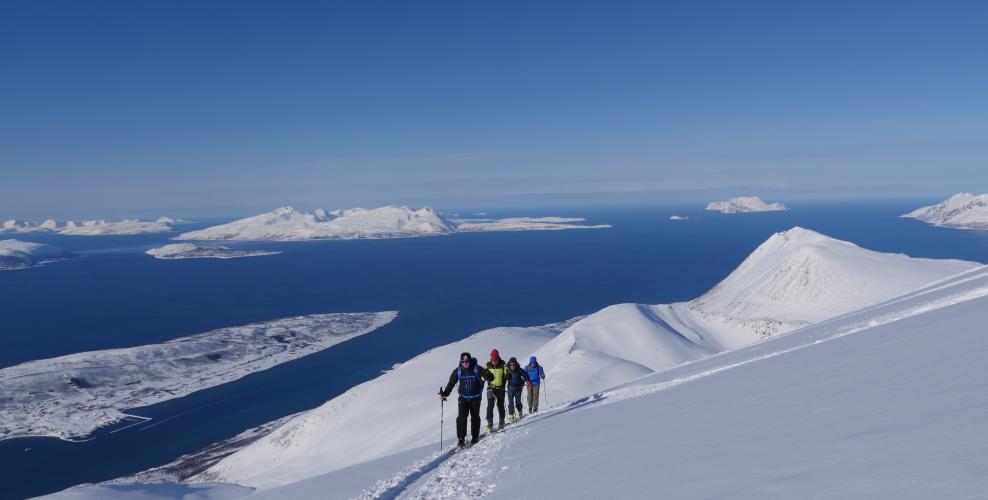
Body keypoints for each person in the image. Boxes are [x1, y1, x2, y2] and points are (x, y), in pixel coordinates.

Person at [439, 352, 493, 447]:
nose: (465, 363)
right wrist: (445, 394)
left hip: (475, 397)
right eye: (463, 362)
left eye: (467, 361)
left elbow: (489, 377)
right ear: (461, 361)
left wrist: (488, 375)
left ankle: (475, 437)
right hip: (463, 398)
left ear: (470, 360)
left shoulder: (477, 368)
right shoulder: (458, 371)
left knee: (475, 417)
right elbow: (451, 383)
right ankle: (461, 439)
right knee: (461, 418)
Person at [485, 349, 509, 432]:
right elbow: (482, 375)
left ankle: (501, 421)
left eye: (496, 360)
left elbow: (507, 374)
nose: (494, 362)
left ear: (498, 358)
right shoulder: (487, 365)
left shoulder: (503, 364)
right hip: (491, 387)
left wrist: (507, 376)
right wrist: (483, 378)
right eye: (493, 360)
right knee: (490, 404)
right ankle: (490, 424)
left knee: (500, 405)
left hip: (500, 388)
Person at [505, 356, 531, 423]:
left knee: (518, 402)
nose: (512, 366)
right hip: (510, 389)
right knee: (511, 403)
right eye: (511, 364)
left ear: (516, 364)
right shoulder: (507, 371)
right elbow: (504, 378)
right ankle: (511, 416)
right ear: (509, 364)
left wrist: (528, 382)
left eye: (514, 364)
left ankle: (520, 412)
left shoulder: (519, 370)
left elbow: (525, 375)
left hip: (518, 389)